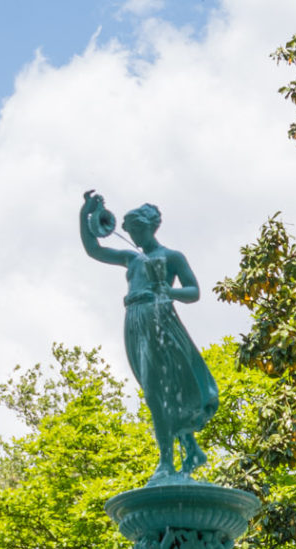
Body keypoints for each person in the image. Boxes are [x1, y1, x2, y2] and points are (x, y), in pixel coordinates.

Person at [79, 192, 218, 479]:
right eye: (130, 231)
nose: (133, 235)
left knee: (157, 391)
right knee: (153, 387)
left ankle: (166, 462)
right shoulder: (131, 258)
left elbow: (194, 291)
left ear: (150, 227)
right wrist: (85, 215)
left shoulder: (171, 257)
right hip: (135, 320)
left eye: (137, 230)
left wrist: (170, 292)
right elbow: (94, 250)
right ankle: (190, 449)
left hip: (159, 318)